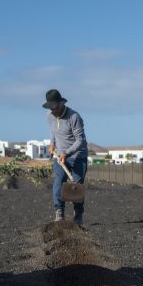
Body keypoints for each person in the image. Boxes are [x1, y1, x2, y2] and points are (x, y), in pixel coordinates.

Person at [43, 89, 88, 224]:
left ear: (61, 103)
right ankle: (59, 213)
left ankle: (78, 215)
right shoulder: (49, 115)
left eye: (55, 107)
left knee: (76, 187)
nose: (53, 110)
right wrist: (52, 144)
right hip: (60, 156)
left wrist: (66, 153)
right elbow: (53, 131)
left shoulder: (74, 117)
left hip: (78, 156)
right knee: (58, 183)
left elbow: (80, 140)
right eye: (50, 108)